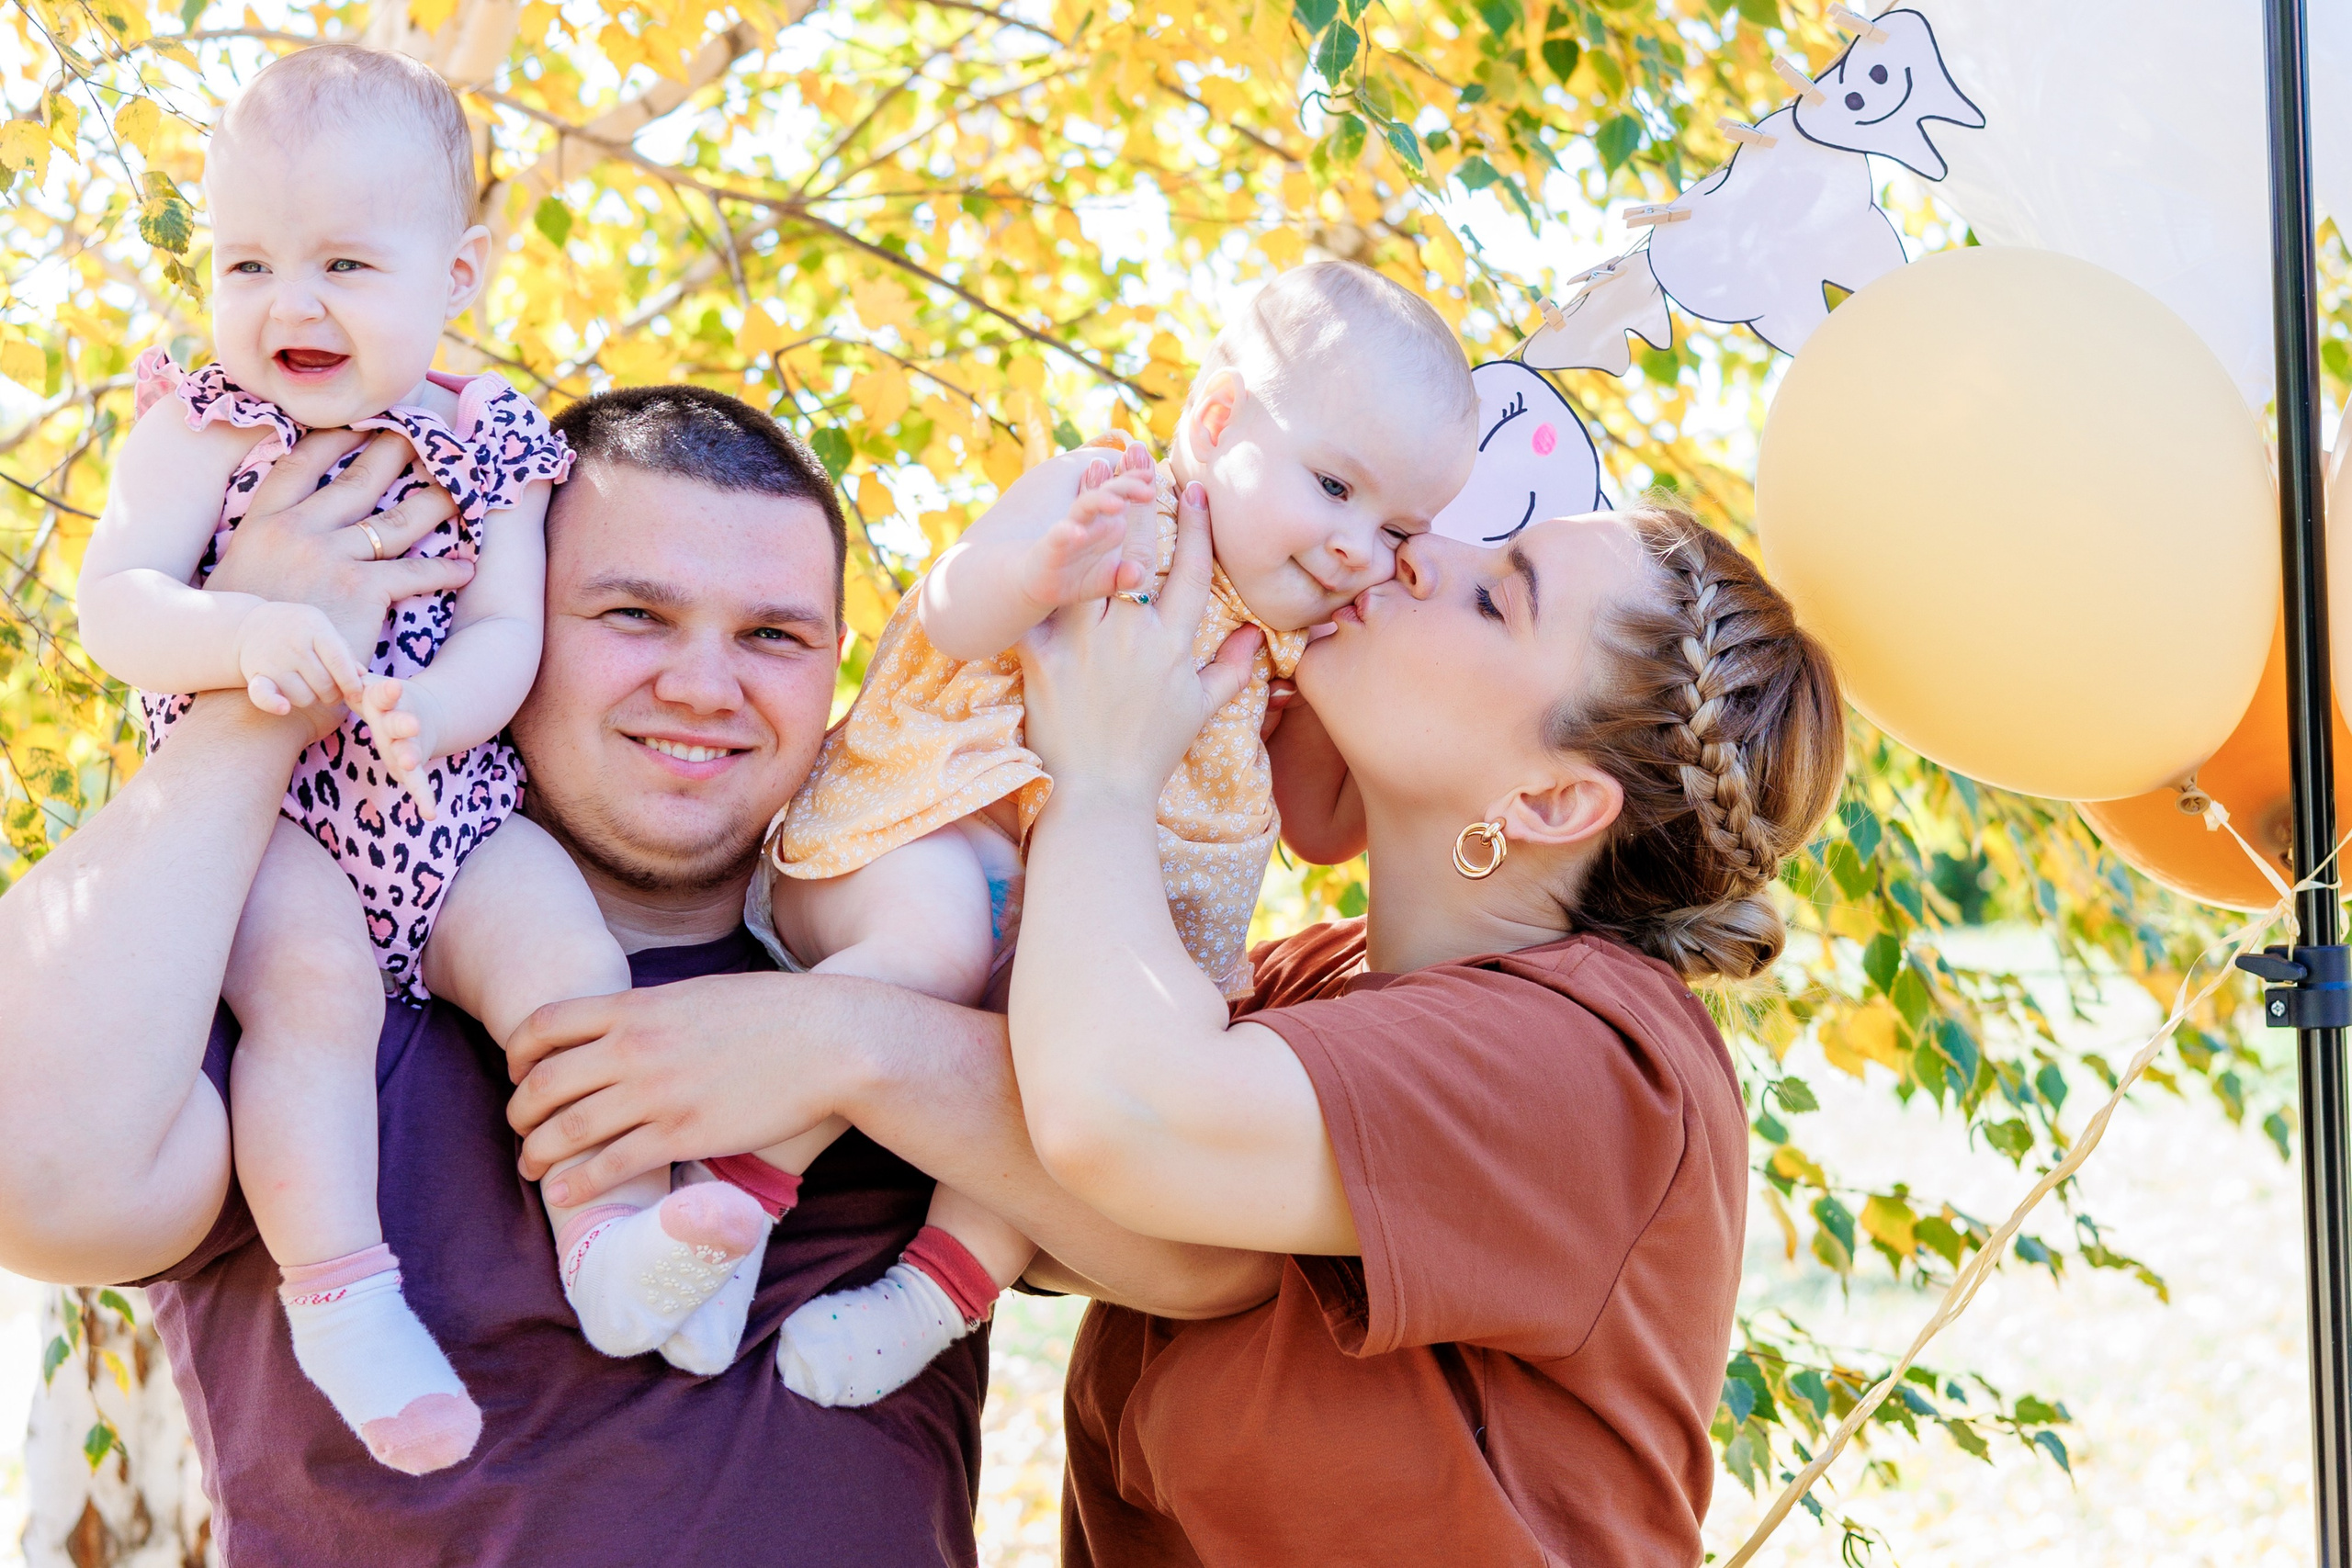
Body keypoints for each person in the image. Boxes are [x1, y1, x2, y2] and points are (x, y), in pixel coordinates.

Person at [0, 385, 1263, 1564]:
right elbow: (39, 1178)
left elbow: (1210, 1258)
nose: (703, 686)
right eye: (633, 616)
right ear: (501, 624)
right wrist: (262, 685)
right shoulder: (306, 973)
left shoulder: (944, 980)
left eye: (772, 635)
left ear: (836, 669)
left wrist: (851, 1043)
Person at [502, 484, 1846, 1565]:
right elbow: (1155, 1233)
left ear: (1552, 804)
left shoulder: (1594, 1059)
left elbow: (1113, 1118)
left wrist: (1097, 778)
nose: (1420, 551)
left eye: (1498, 595)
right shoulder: (1311, 986)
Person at [73, 44, 772, 1475]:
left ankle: (615, 1233)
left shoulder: (487, 437)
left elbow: (509, 626)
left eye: (343, 262)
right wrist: (245, 625)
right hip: (265, 820)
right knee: (312, 990)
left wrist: (443, 710)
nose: (291, 303)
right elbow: (115, 608)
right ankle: (345, 1297)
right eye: (249, 263)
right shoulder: (201, 427)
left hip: (441, 800)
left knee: (566, 964)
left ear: (456, 277)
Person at [736, 260, 1476, 1408]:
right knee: (935, 943)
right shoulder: (1113, 502)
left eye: (1396, 530)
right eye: (1333, 486)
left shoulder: (1292, 647)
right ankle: (730, 1194)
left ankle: (931, 1293)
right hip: (946, 828)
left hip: (1081, 931)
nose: (1352, 547)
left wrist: (1385, 701)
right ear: (1217, 422)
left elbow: (1324, 828)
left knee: (1078, 1069)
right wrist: (1035, 569)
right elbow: (950, 610)